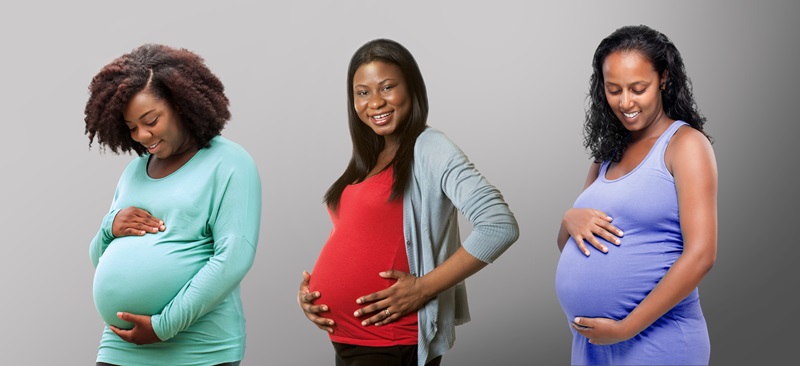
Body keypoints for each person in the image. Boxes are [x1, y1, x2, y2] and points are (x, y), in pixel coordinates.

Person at [296, 38, 519, 366]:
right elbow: (361, 237)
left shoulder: (430, 147)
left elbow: (500, 225)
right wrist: (313, 294)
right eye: (362, 92)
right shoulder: (372, 155)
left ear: (411, 88)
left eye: (387, 87)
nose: (375, 102)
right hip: (351, 340)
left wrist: (423, 288)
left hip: (391, 341)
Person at [84, 44, 261, 366]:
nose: (142, 135)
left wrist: (164, 325)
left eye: (150, 120)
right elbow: (99, 258)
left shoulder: (229, 162)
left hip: (197, 348)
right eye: (132, 127)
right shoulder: (135, 172)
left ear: (181, 105)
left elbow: (234, 257)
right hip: (120, 346)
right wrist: (110, 228)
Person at [554, 25, 717, 365]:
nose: (625, 102)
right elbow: (572, 243)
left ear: (664, 79)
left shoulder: (685, 145)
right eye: (614, 90)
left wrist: (626, 328)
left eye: (637, 88)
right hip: (593, 344)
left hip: (658, 339)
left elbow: (701, 255)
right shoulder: (607, 154)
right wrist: (570, 218)